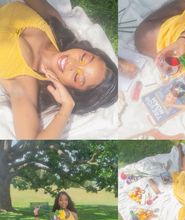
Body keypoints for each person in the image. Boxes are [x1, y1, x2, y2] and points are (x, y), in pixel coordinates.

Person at [0, 0, 117, 139]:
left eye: (77, 77)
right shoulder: (55, 26)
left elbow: (31, 141)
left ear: (72, 90)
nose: (72, 64)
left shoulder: (25, 83)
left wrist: (67, 107)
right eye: (84, 58)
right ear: (85, 49)